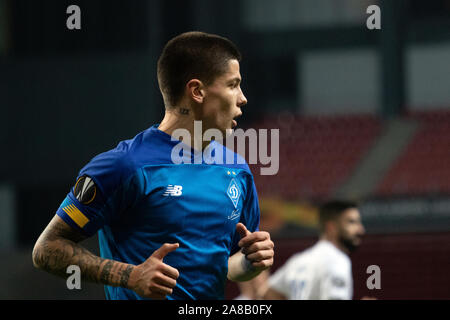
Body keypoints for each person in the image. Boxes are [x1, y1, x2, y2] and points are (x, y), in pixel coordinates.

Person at [32, 31, 274, 300]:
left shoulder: (237, 169)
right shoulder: (125, 166)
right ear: (197, 91)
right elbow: (47, 249)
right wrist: (130, 276)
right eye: (233, 85)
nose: (242, 98)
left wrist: (250, 263)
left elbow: (229, 266)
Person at [262, 200, 365, 300]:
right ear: (331, 227)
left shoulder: (298, 261)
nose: (360, 230)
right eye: (352, 222)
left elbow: (269, 294)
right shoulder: (337, 260)